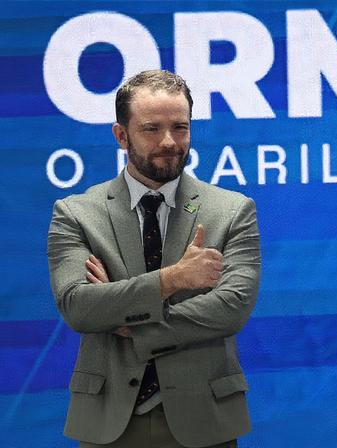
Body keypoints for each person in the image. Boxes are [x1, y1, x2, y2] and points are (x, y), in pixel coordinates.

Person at [47, 70, 261, 448]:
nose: (169, 142)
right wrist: (173, 279)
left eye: (180, 127)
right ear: (121, 135)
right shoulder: (76, 213)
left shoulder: (233, 211)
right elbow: (79, 308)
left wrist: (131, 321)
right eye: (151, 129)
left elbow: (232, 308)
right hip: (109, 423)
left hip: (205, 421)